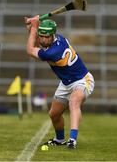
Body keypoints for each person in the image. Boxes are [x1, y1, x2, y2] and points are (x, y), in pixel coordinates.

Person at [24, 15, 95, 149]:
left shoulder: (53, 52)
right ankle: (59, 139)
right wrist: (33, 28)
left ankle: (72, 140)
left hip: (82, 80)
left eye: (47, 36)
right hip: (66, 83)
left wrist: (33, 28)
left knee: (74, 102)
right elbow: (39, 42)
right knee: (54, 114)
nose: (44, 39)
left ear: (52, 35)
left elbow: (30, 50)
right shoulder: (57, 39)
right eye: (42, 36)